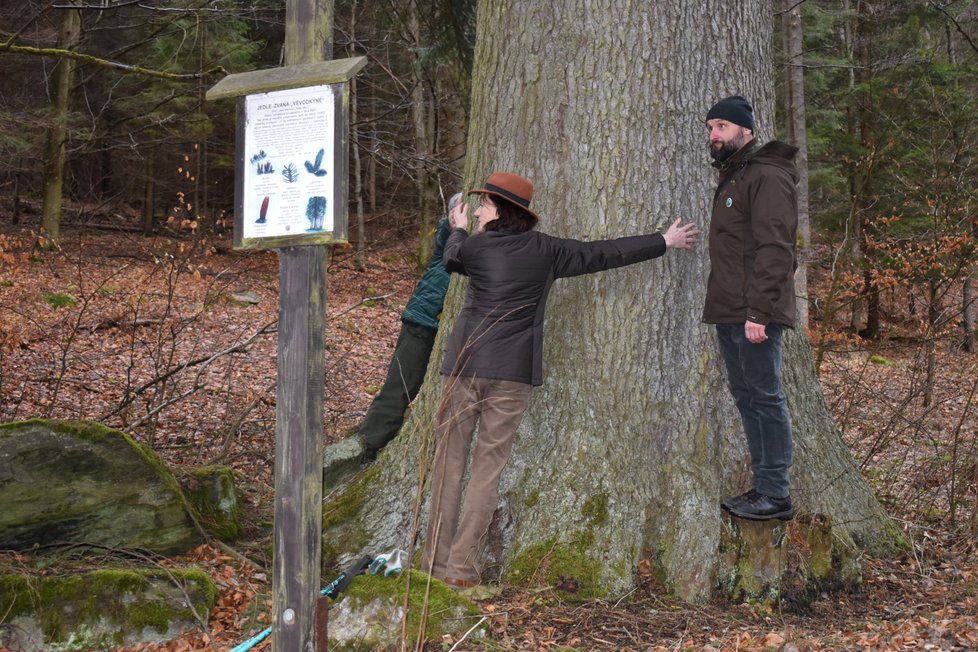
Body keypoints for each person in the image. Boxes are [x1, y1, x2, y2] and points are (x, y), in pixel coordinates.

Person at [421, 171, 700, 588]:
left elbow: (451, 258)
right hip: (512, 375)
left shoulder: (475, 247)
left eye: (483, 205)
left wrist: (457, 230)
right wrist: (662, 241)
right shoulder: (547, 250)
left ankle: (432, 565)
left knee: (449, 465)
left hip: (464, 368)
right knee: (486, 471)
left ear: (499, 210)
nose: (478, 211)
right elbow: (602, 253)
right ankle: (460, 571)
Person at [703, 95, 799, 521]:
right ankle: (763, 487)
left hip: (754, 312)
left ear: (746, 129)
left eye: (721, 126)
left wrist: (759, 312)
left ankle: (776, 493)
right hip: (731, 310)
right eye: (710, 128)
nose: (714, 135)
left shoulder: (767, 175)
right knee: (747, 397)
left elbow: (777, 249)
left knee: (764, 397)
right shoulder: (736, 175)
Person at [358, 192, 463, 461]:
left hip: (443, 328)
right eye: (454, 211)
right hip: (422, 323)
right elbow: (448, 238)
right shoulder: (449, 236)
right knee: (400, 387)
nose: (456, 216)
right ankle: (368, 446)